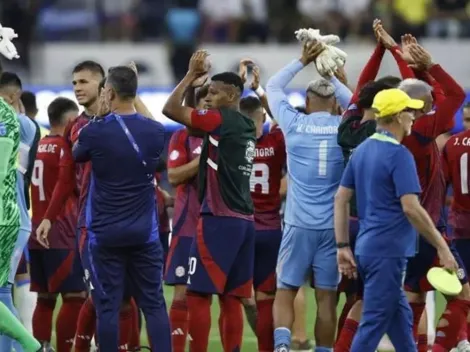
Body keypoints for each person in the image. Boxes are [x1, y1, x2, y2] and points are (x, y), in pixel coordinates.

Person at [334, 88, 458, 352]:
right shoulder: (400, 155)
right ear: (397, 117)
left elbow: (341, 199)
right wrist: (442, 247)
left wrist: (343, 245)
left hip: (368, 248)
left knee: (402, 325)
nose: (414, 116)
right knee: (373, 324)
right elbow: (411, 208)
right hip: (388, 251)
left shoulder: (363, 149)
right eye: (410, 111)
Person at [67, 66, 170, 351]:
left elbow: (77, 154)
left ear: (108, 92)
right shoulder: (155, 130)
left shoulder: (96, 131)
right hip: (144, 234)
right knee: (153, 303)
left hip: (105, 233)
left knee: (108, 306)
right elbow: (158, 157)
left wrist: (99, 115)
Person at [162, 50, 257, 352]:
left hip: (217, 219)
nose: (208, 97)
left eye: (213, 92)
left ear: (231, 94)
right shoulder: (246, 125)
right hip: (244, 221)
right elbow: (191, 125)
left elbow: (169, 109)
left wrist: (190, 75)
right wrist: (198, 89)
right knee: (232, 296)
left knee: (197, 294)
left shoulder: (220, 119)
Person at [266, 41, 347, 352]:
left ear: (308, 101)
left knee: (285, 289)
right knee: (326, 298)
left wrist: (303, 60)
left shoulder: (294, 124)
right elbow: (358, 104)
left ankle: (284, 347)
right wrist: (335, 75)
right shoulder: (345, 126)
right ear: (334, 104)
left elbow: (273, 85)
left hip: (298, 225)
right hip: (332, 229)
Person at [398, 43, 470, 352]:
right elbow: (452, 95)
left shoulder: (390, 132)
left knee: (413, 294)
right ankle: (445, 347)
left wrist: (405, 62)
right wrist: (429, 65)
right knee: (462, 293)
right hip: (432, 225)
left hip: (403, 227)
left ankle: (413, 348)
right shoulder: (426, 129)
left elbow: (415, 93)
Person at [29, 97, 87, 351]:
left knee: (45, 298)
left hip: (36, 230)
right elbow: (74, 186)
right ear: (68, 121)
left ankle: (41, 347)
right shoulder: (66, 148)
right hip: (61, 231)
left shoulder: (37, 145)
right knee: (75, 298)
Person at [240, 96, 286, 352]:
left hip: (239, 230)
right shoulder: (276, 142)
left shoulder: (231, 143)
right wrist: (261, 91)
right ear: (264, 118)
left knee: (239, 297)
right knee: (267, 297)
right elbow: (284, 120)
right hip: (270, 229)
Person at [0, 74, 40, 352]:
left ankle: (28, 346)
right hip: (15, 215)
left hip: (9, 215)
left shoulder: (20, 124)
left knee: (3, 293)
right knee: (2, 293)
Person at [165, 85, 207, 352]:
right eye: (203, 104)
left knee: (207, 296)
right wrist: (202, 161)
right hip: (186, 226)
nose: (208, 109)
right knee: (181, 294)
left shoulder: (225, 135)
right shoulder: (181, 137)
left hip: (217, 226)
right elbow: (174, 176)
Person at [442, 128, 470, 352]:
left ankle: (461, 340)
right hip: (458, 225)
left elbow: (441, 183)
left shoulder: (453, 143)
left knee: (462, 288)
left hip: (459, 225)